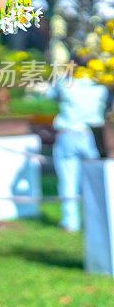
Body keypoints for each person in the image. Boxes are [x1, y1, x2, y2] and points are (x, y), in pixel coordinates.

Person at [48, 60, 109, 231]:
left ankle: (70, 222)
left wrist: (62, 75)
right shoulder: (100, 87)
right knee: (96, 180)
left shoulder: (65, 85)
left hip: (68, 135)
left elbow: (50, 93)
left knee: (68, 180)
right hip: (92, 135)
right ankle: (99, 219)